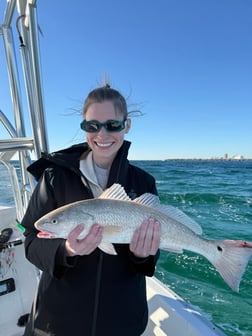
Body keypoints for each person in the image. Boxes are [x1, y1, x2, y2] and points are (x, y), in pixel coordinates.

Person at [22, 84, 161, 336]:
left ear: (126, 125)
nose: (102, 134)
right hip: (57, 321)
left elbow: (150, 257)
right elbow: (31, 241)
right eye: (92, 125)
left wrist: (144, 255)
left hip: (122, 322)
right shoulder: (54, 178)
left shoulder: (143, 183)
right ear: (84, 127)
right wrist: (66, 250)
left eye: (113, 125)